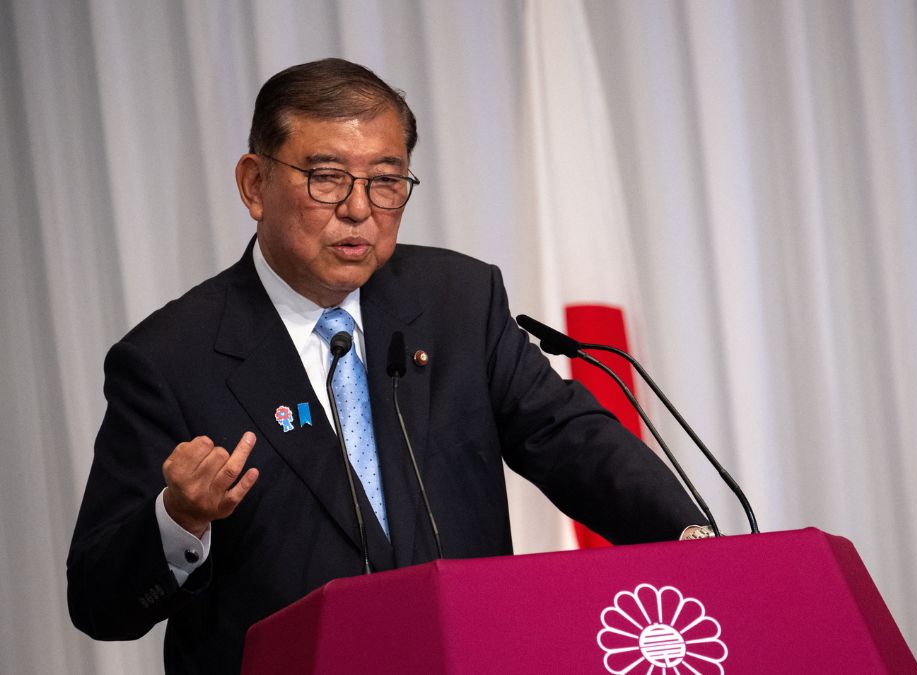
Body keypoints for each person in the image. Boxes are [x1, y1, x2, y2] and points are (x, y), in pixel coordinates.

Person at [66, 58, 706, 674]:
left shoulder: (457, 301)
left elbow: (569, 440)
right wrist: (180, 518)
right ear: (255, 185)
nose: (358, 208)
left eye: (386, 180)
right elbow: (98, 600)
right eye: (326, 177)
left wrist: (692, 543)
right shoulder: (169, 359)